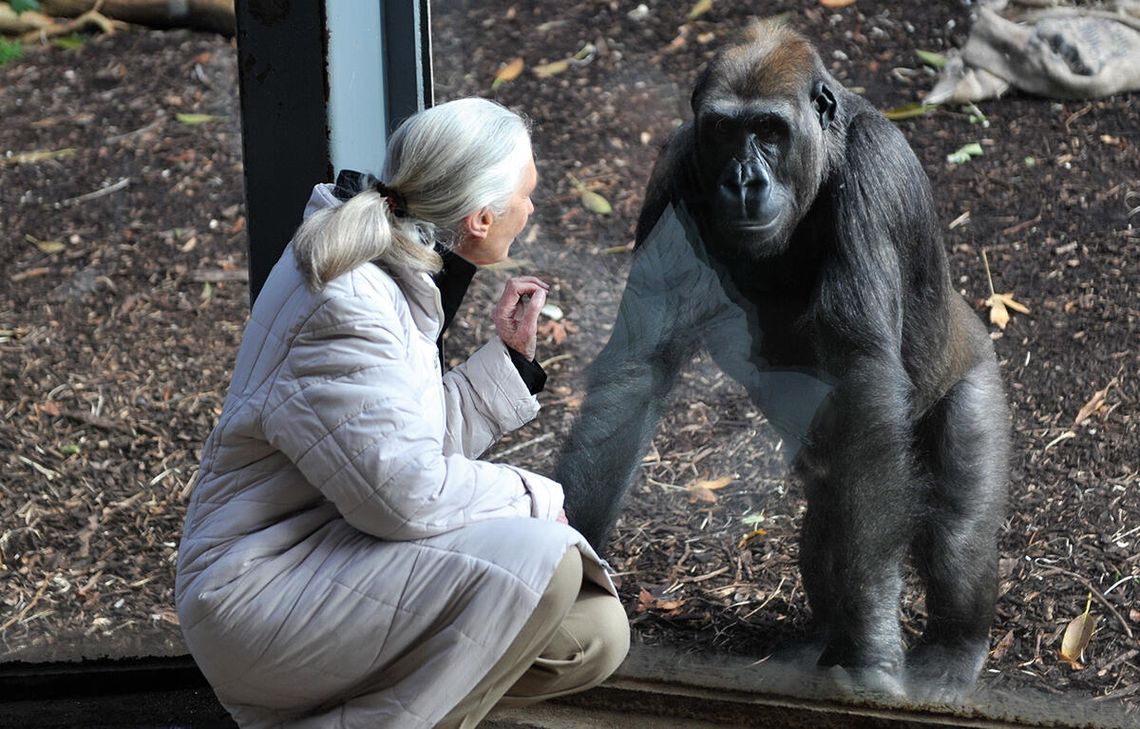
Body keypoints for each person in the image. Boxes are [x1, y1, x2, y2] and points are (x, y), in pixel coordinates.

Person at [175, 97, 629, 729]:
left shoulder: (383, 267)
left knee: (589, 631)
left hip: (327, 555)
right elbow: (402, 495)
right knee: (547, 566)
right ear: (479, 218)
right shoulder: (348, 300)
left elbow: (386, 446)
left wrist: (508, 367)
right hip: (257, 592)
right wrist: (531, 495)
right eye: (526, 194)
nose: (532, 208)